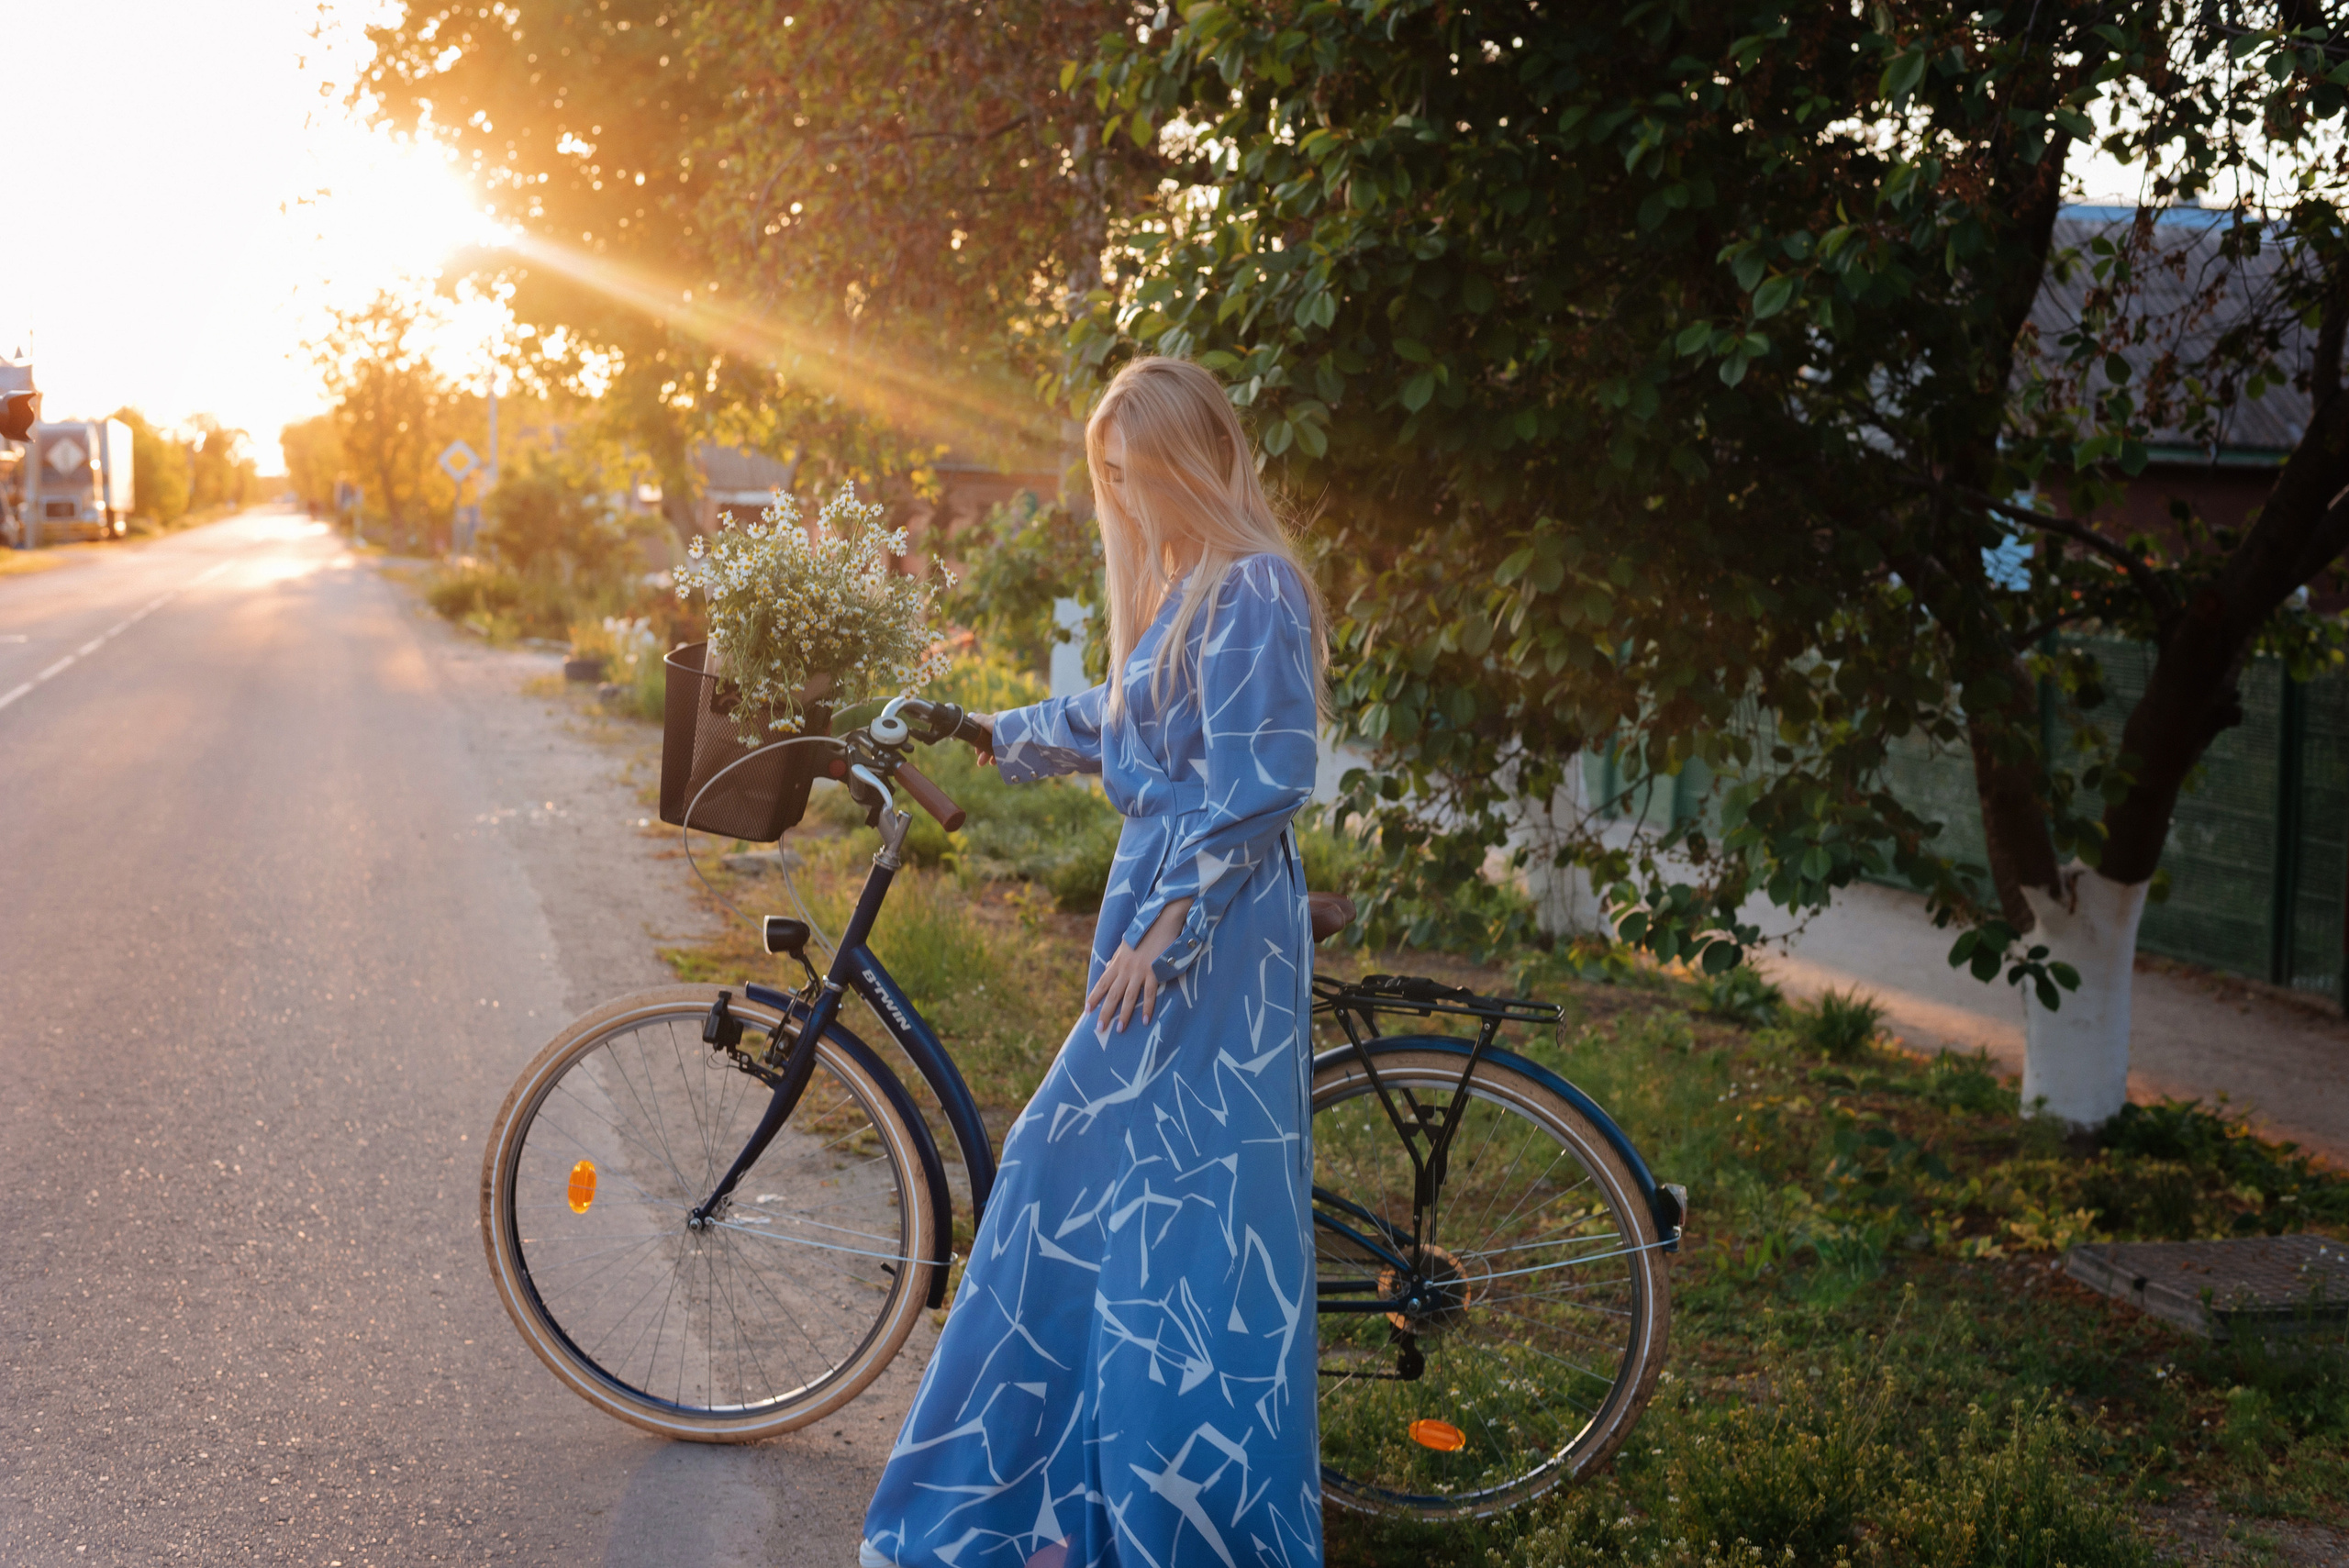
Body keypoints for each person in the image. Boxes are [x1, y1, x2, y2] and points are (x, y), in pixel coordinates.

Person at [859, 357, 1329, 1568]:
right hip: (1164, 922)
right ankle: (1076, 1506)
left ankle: (1149, 1514)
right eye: (1113, 478)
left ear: (1198, 460)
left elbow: (1259, 783)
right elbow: (1111, 722)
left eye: (1144, 473)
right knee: (1124, 1219)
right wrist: (977, 727)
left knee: (1117, 1204)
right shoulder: (1184, 587)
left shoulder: (1257, 588)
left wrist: (1167, 933)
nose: (1128, 500)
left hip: (1207, 939)